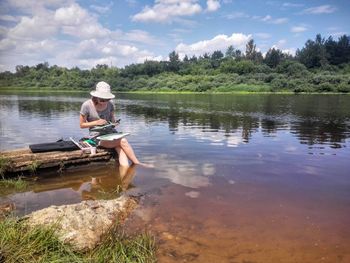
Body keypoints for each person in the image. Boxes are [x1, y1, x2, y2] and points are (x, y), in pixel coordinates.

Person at [80, 81, 142, 166]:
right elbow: (82, 125)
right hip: (97, 137)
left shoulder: (111, 104)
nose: (105, 102)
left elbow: (112, 118)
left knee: (120, 149)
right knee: (123, 141)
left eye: (107, 99)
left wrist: (114, 123)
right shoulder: (86, 105)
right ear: (96, 96)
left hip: (112, 134)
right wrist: (96, 122)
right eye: (102, 99)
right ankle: (137, 164)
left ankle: (125, 173)